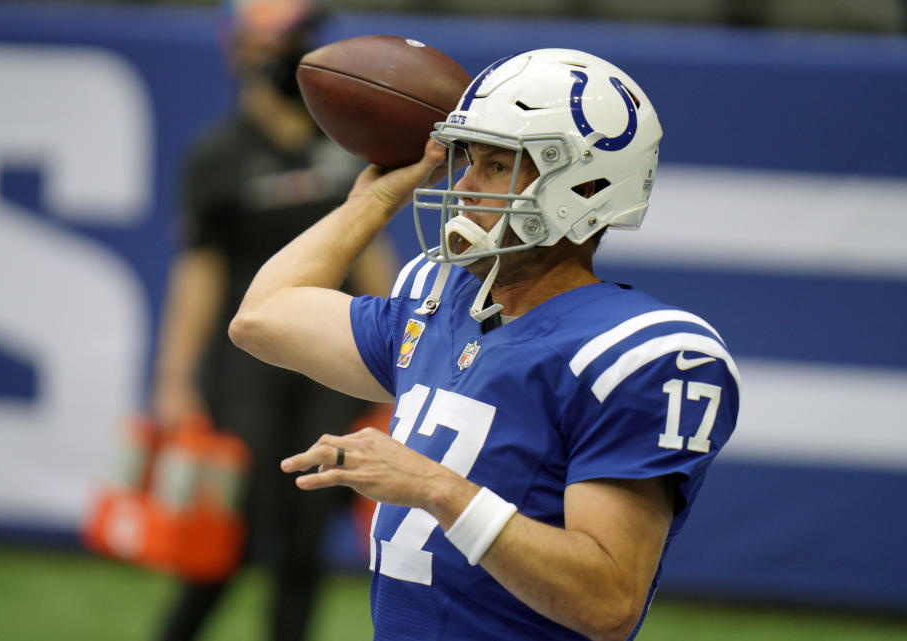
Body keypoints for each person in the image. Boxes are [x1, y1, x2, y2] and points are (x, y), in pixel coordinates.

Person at [229, 48, 741, 641]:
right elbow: (262, 316)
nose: (464, 185)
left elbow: (608, 599)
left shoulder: (638, 353)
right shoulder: (440, 296)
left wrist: (435, 487)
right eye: (468, 159)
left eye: (497, 166)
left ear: (583, 185)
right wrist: (372, 200)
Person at [150, 1, 397, 640]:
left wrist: (409, 354)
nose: (307, 53)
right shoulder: (220, 155)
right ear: (248, 52)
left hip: (328, 359)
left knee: (307, 535)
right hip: (247, 363)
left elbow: (369, 255)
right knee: (233, 533)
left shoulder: (343, 149)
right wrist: (174, 379)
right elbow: (198, 275)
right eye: (295, 41)